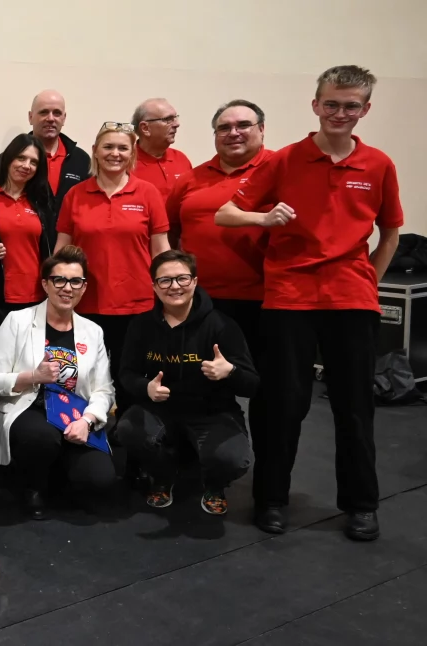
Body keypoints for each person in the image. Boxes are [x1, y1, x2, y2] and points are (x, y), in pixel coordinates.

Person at [216, 65, 402, 541]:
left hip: (351, 300)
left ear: (365, 109)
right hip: (289, 298)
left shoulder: (378, 164)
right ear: (316, 105)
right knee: (285, 405)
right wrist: (264, 216)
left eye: (351, 105)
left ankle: (361, 505)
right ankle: (271, 499)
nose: (340, 113)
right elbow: (227, 213)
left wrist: (367, 281)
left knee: (355, 406)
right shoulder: (284, 161)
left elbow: (391, 231)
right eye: (332, 103)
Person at [116, 250, 257, 514]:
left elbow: (252, 384)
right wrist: (145, 388)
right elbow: (126, 373)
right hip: (160, 410)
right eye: (165, 281)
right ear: (154, 287)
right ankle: (164, 475)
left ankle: (214, 484)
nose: (174, 287)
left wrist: (231, 372)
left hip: (212, 412)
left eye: (182, 278)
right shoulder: (141, 326)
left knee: (233, 460)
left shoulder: (222, 326)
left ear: (194, 281)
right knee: (128, 431)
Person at [0, 245, 116, 519]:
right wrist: (33, 376)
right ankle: (33, 486)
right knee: (40, 438)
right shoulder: (17, 321)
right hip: (28, 408)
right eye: (59, 280)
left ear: (84, 287)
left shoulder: (93, 331)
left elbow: (104, 389)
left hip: (73, 414)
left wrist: (87, 420)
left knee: (101, 480)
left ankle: (58, 473)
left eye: (75, 281)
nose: (67, 288)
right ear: (45, 284)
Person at [55, 122, 170, 418]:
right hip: (86, 306)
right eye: (108, 147)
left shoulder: (148, 193)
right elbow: (62, 252)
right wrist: (56, 293)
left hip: (138, 306)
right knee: (84, 378)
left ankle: (131, 448)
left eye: (122, 148)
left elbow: (162, 251)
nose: (115, 154)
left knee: (131, 380)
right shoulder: (76, 195)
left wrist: (171, 297)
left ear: (132, 154)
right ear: (95, 151)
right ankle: (84, 438)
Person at [167, 100, 271, 369]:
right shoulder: (191, 178)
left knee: (264, 381)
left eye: (243, 125)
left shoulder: (278, 170)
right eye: (223, 128)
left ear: (261, 129)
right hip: (200, 300)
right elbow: (171, 232)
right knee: (199, 377)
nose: (233, 133)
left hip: (263, 300)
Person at [0, 134, 55, 376]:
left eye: (33, 162)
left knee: (29, 367)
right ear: (8, 159)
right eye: (21, 158)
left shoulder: (42, 201)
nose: (26, 166)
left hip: (35, 298)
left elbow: (49, 246)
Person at [28, 90, 91, 205]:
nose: (51, 118)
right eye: (43, 112)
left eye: (57, 113)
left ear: (64, 118)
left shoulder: (81, 159)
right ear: (30, 117)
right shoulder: (13, 158)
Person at [131, 98, 193, 200]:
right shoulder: (125, 162)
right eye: (168, 119)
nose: (177, 124)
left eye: (175, 118)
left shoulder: (181, 159)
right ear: (145, 128)